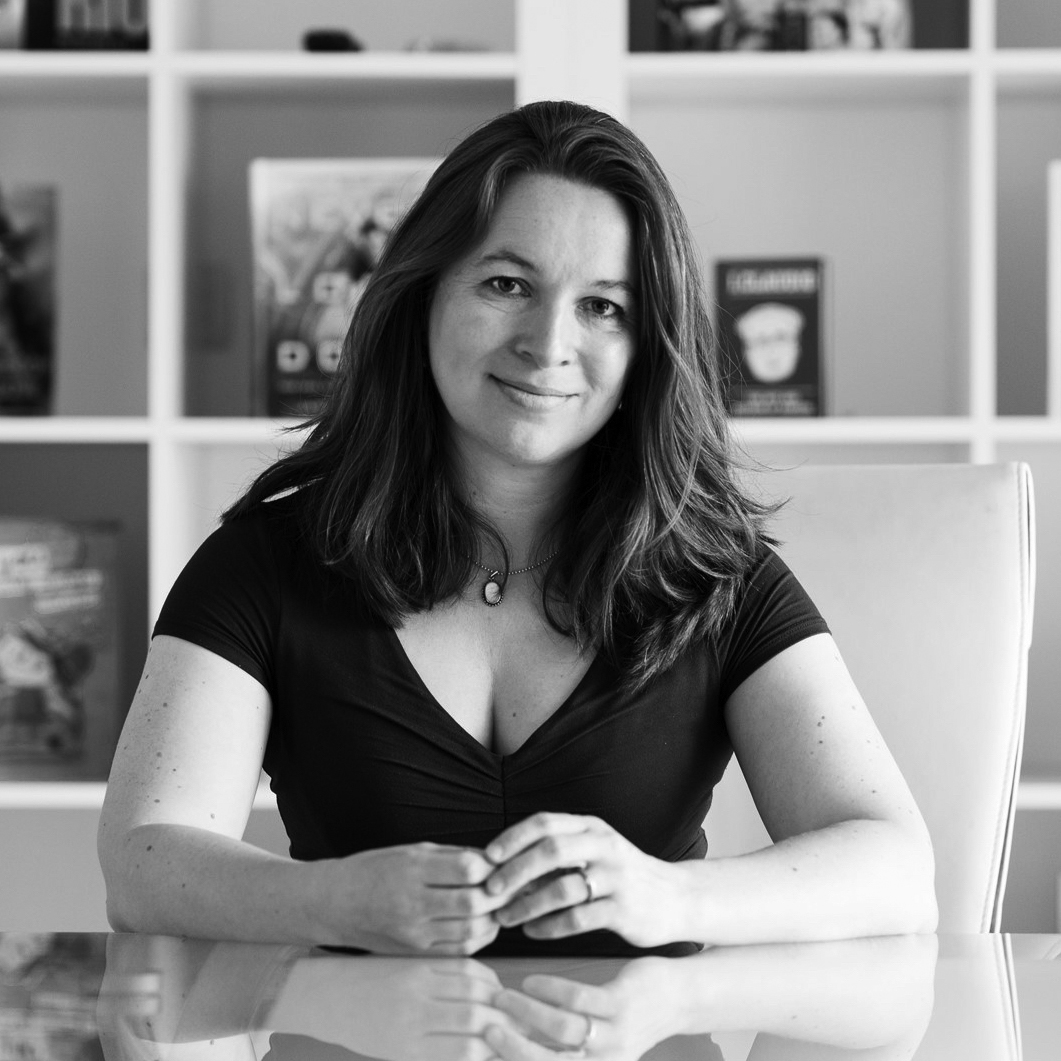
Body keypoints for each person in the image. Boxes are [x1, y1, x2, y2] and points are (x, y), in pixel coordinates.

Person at [97, 100, 937, 957]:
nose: (548, 343)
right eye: (507, 285)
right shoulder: (264, 561)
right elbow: (143, 862)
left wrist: (671, 897)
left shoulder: (719, 575)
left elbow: (896, 867)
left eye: (604, 307)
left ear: (650, 343)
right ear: (421, 296)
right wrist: (331, 900)